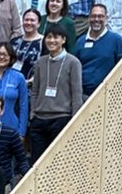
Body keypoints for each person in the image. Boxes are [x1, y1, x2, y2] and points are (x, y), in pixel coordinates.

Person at [29, 25, 82, 163]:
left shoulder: (73, 62)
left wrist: (74, 119)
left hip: (61, 118)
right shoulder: (41, 62)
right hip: (39, 119)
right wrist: (32, 114)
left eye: (55, 37)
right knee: (37, 162)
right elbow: (35, 91)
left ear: (63, 40)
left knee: (57, 162)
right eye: (49, 37)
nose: (51, 40)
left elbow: (76, 93)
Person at [75, 4, 122, 97]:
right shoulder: (80, 41)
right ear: (88, 18)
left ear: (106, 18)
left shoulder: (116, 40)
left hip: (108, 95)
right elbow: (74, 68)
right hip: (83, 95)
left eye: (100, 16)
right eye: (93, 16)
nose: (96, 19)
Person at [12, 9, 45, 84]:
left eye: (32, 20)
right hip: (12, 84)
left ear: (39, 24)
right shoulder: (14, 41)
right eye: (26, 20)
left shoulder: (44, 42)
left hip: (33, 85)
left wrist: (30, 81)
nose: (29, 23)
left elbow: (45, 66)